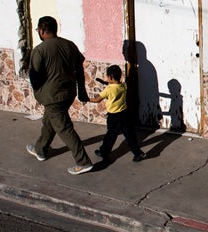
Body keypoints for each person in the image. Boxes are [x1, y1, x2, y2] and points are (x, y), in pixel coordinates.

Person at [26, 15, 93, 175]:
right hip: (68, 93)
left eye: (38, 30)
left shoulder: (40, 50)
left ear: (42, 31)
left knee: (64, 128)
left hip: (52, 96)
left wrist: (39, 90)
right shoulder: (69, 45)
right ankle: (40, 149)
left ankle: (83, 162)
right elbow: (79, 70)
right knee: (49, 121)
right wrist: (82, 91)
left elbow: (34, 77)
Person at [88, 64, 145, 163]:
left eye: (107, 76)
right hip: (124, 114)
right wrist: (108, 83)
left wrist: (86, 98)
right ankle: (138, 153)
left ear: (110, 77)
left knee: (110, 135)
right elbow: (116, 86)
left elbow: (97, 100)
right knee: (129, 134)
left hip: (114, 117)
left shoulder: (109, 89)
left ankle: (104, 152)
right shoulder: (123, 85)